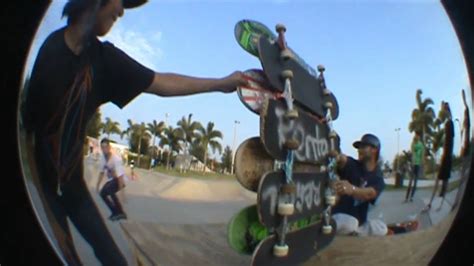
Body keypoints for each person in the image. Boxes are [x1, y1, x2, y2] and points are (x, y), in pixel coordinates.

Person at [21, 0, 247, 265]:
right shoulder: (50, 50)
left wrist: (221, 84)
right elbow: (29, 132)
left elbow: (161, 82)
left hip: (75, 190)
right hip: (42, 188)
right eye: (119, 2)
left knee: (114, 258)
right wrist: (50, 216)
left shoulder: (104, 60)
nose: (121, 11)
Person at [330, 134, 387, 236]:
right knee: (350, 223)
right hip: (340, 218)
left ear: (374, 150)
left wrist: (352, 189)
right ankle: (349, 232)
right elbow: (343, 159)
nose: (359, 150)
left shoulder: (378, 179)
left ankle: (356, 233)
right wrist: (336, 153)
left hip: (360, 223)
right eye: (358, 148)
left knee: (381, 228)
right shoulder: (352, 165)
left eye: (363, 147)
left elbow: (370, 194)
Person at [424, 102, 455, 211]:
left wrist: (444, 155)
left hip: (447, 157)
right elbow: (448, 141)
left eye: (443, 110)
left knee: (440, 181)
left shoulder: (449, 123)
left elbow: (449, 142)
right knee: (443, 181)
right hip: (447, 156)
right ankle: (437, 204)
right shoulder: (449, 123)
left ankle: (434, 204)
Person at [96, 138, 127, 221]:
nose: (104, 150)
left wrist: (121, 193)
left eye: (106, 147)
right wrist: (97, 185)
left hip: (120, 180)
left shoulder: (116, 159)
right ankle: (114, 212)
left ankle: (121, 213)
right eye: (102, 147)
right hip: (112, 180)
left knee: (110, 189)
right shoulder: (102, 158)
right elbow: (101, 172)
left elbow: (120, 177)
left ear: (109, 148)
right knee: (102, 193)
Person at [405, 131, 424, 202]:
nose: (417, 137)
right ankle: (407, 197)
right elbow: (413, 153)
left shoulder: (421, 145)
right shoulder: (413, 143)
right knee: (410, 181)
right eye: (416, 135)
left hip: (418, 165)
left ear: (419, 136)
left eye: (418, 135)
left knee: (415, 182)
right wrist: (412, 162)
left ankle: (411, 197)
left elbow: (422, 154)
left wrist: (421, 162)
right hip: (413, 164)